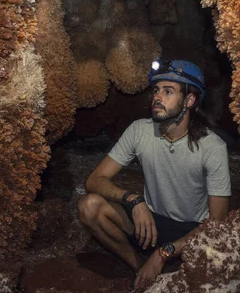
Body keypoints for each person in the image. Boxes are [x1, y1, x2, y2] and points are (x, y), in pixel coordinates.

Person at [78, 59, 231, 291]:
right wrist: (134, 200)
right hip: (148, 221)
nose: (157, 97)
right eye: (156, 90)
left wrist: (164, 253)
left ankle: (162, 266)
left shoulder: (213, 147)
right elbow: (94, 180)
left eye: (168, 91)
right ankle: (139, 266)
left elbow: (217, 223)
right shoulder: (139, 130)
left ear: (189, 100)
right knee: (89, 206)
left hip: (190, 230)